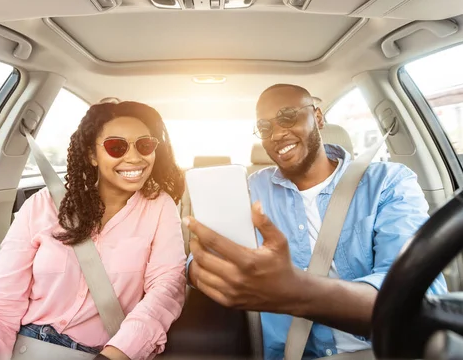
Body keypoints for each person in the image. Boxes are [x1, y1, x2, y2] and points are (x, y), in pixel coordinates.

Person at [185, 84, 447, 359]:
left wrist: (294, 290)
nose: (276, 133)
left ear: (318, 117)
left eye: (288, 116)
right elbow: (205, 256)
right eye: (264, 128)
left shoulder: (387, 182)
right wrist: (195, 270)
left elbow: (416, 288)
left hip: (384, 349)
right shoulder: (251, 190)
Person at [0, 101, 187, 360]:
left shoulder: (159, 207)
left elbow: (166, 288)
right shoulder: (43, 204)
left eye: (145, 145)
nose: (135, 157)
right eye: (117, 146)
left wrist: (120, 352)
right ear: (92, 155)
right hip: (22, 345)